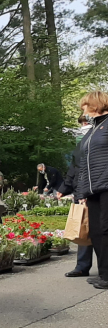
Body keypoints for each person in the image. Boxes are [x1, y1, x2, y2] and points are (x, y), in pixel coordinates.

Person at [72, 90, 108, 289]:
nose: (83, 110)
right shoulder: (93, 129)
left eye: (85, 106)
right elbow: (83, 165)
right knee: (95, 232)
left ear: (95, 104)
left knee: (106, 229)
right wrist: (81, 192)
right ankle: (104, 273)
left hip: (107, 185)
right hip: (93, 189)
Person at [59, 114, 97, 278]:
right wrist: (64, 187)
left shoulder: (98, 139)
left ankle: (103, 270)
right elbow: (74, 168)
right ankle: (82, 266)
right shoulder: (80, 144)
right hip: (81, 191)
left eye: (86, 122)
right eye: (82, 122)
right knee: (84, 228)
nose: (83, 125)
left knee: (100, 230)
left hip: (95, 190)